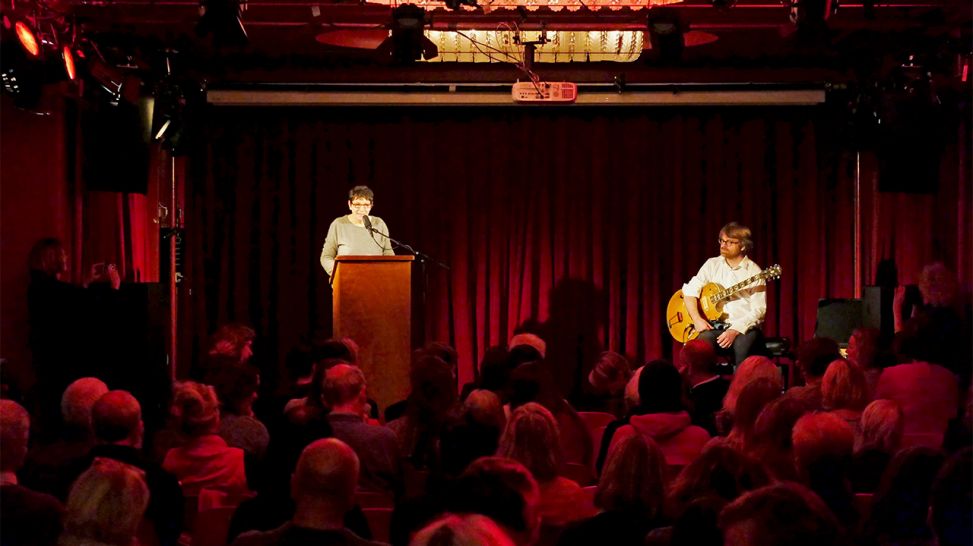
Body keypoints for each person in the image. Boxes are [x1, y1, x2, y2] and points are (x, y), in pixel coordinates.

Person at [681, 222, 766, 364]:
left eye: (730, 242)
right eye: (722, 240)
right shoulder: (712, 264)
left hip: (744, 329)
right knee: (701, 345)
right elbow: (690, 291)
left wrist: (735, 330)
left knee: (742, 346)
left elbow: (759, 310)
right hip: (715, 327)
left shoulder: (754, 272)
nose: (723, 245)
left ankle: (739, 385)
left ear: (743, 246)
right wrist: (696, 319)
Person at [320, 185, 394, 278]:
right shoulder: (338, 224)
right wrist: (340, 273)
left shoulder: (379, 223)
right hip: (346, 282)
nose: (362, 209)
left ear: (371, 205)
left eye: (366, 205)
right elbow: (326, 257)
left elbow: (389, 256)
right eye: (357, 205)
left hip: (376, 282)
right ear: (350, 205)